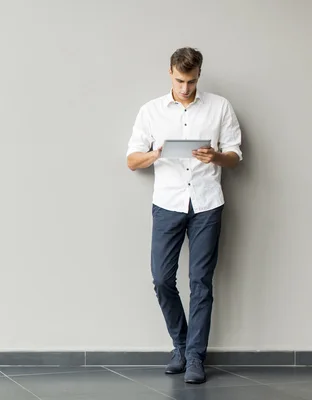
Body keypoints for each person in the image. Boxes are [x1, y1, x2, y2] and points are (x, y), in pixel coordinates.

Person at [125, 47, 242, 384]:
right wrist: (155, 154)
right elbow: (131, 160)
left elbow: (235, 155)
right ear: (170, 73)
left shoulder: (220, 107)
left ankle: (194, 357)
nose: (186, 88)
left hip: (207, 204)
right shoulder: (151, 111)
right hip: (167, 204)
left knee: (200, 283)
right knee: (162, 279)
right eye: (180, 80)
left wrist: (215, 157)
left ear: (199, 75)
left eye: (191, 81)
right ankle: (180, 344)